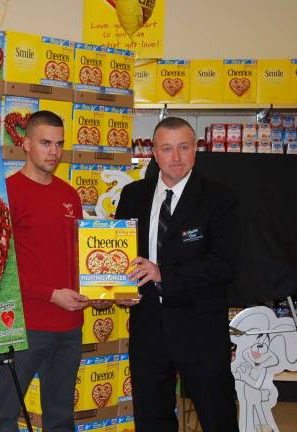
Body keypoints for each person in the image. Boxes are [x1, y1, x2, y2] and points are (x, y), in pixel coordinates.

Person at [115, 117, 239, 432]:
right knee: (151, 417)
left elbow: (224, 264)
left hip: (201, 330)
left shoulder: (219, 198)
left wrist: (162, 274)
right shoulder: (133, 195)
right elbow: (122, 255)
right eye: (167, 149)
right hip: (147, 328)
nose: (176, 157)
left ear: (195, 149)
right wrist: (115, 288)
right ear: (154, 153)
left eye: (184, 147)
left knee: (217, 417)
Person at [0, 111, 88, 432]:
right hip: (22, 325)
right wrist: (49, 294)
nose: (54, 152)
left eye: (59, 144)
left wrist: (99, 291)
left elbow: (78, 258)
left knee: (61, 418)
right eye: (46, 143)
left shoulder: (69, 195)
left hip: (70, 325)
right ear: (26, 143)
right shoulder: (6, 193)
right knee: (4, 416)